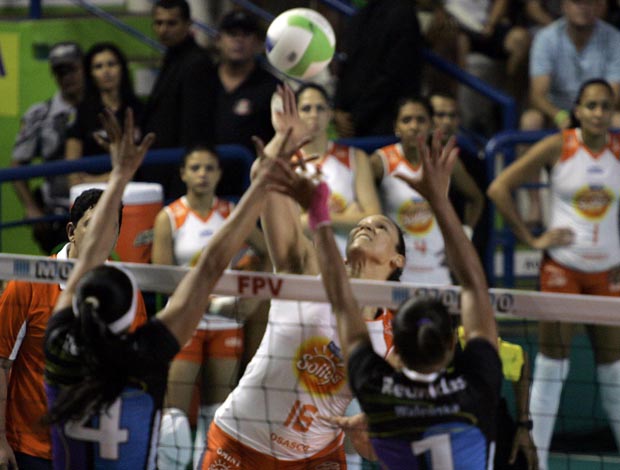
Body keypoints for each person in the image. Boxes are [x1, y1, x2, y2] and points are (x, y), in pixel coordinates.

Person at [43, 108, 296, 469]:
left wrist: (119, 176)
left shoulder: (58, 344)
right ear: (131, 311)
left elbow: (85, 260)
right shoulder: (145, 356)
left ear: (80, 305)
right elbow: (209, 268)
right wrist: (262, 186)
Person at [200, 85, 405, 469]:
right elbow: (264, 181)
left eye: (380, 226)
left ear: (396, 260)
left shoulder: (395, 338)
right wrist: (284, 140)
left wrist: (371, 431)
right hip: (242, 437)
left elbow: (378, 441)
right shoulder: (307, 271)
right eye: (362, 222)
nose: (367, 225)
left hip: (317, 457)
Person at [298, 131, 501, 468]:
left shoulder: (377, 390)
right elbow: (475, 287)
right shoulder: (478, 386)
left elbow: (341, 298)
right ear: (451, 346)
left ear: (397, 351)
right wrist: (440, 200)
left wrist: (318, 212)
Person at [487, 78, 620, 469]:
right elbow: (498, 187)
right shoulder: (558, 146)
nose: (598, 112)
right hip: (563, 268)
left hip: (608, 273)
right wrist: (531, 236)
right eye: (591, 105)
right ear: (577, 110)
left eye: (605, 106)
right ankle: (538, 463)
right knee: (552, 367)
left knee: (614, 371)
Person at [0, 187, 148, 470]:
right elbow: (1, 363)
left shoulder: (127, 292)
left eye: (110, 228)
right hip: (32, 447)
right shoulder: (26, 284)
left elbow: (133, 371)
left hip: (96, 447)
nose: (101, 236)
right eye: (93, 226)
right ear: (72, 231)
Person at [151, 145, 267, 468]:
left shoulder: (232, 213)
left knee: (217, 413)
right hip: (184, 321)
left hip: (225, 321)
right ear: (184, 173)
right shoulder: (169, 217)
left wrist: (253, 297)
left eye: (209, 168)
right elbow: (163, 278)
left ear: (218, 174)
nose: (202, 174)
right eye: (196, 168)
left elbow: (269, 253)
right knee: (173, 415)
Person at [370, 96, 484, 284]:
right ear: (396, 127)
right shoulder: (379, 162)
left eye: (421, 120)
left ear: (432, 125)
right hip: (396, 269)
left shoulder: (443, 161)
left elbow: (476, 199)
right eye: (406, 120)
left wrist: (464, 235)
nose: (414, 126)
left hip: (437, 268)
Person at [139, 0, 217, 200]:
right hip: (163, 170)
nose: (164, 29)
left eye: (171, 23)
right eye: (159, 23)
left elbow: (193, 128)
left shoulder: (196, 63)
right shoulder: (173, 57)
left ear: (188, 24)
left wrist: (182, 185)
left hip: (177, 176)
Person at [11, 41, 84, 254]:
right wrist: (31, 207)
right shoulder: (40, 114)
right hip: (57, 215)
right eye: (60, 71)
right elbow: (17, 165)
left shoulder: (100, 108)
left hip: (97, 207)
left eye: (71, 69)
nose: (66, 77)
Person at [295, 83, 381, 256]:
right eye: (306, 108)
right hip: (301, 262)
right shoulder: (284, 162)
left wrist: (316, 217)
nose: (314, 114)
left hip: (346, 262)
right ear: (294, 115)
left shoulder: (355, 158)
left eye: (320, 108)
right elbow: (286, 225)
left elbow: (374, 218)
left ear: (329, 114)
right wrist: (346, 217)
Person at [334, 0, 423, 137]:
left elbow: (392, 75)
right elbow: (346, 64)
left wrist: (355, 118)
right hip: (353, 119)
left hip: (384, 121)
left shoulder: (403, 14)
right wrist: (339, 110)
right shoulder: (361, 16)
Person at [65, 42, 144, 188]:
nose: (106, 71)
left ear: (122, 68)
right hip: (94, 197)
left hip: (135, 194)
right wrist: (116, 177)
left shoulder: (139, 109)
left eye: (111, 64)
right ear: (90, 74)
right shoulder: (82, 113)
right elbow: (73, 178)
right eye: (98, 67)